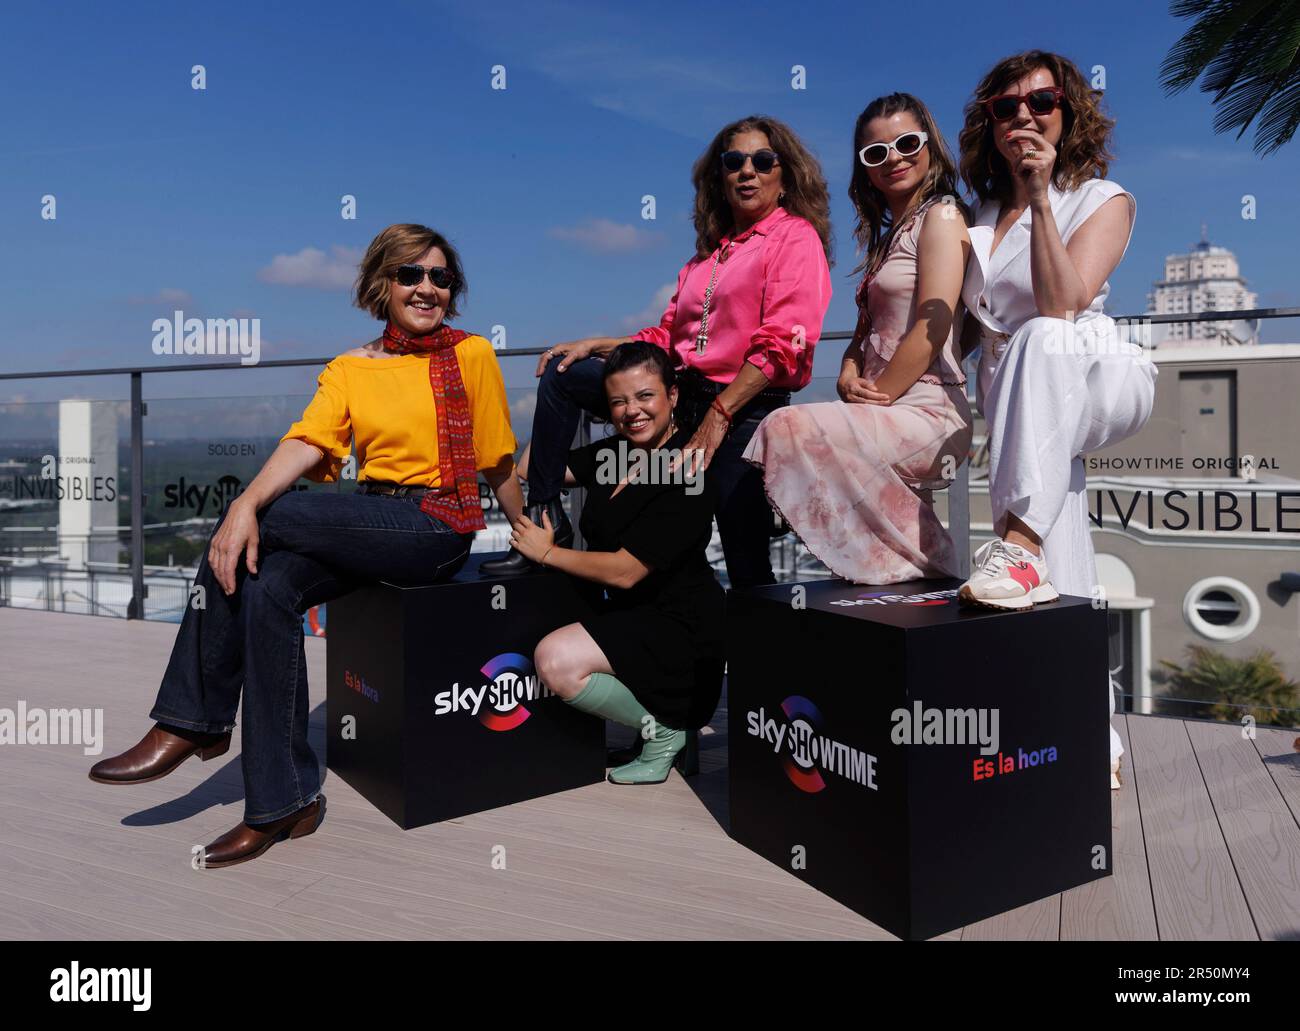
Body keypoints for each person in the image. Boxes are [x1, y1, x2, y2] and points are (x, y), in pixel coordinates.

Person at [88, 223, 523, 862]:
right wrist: (244, 504)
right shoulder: (350, 367)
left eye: (440, 276)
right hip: (373, 521)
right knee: (266, 586)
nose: (427, 287)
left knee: (258, 517)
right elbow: (309, 441)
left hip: (436, 526)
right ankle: (283, 803)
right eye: (411, 274)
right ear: (383, 282)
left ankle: (193, 719)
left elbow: (496, 456)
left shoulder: (473, 354)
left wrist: (525, 527)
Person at [482, 114, 833, 590]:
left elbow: (784, 348)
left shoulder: (795, 238)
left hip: (745, 409)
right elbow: (669, 337)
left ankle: (765, 659)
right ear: (721, 176)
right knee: (565, 374)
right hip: (680, 395)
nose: (747, 171)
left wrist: (719, 416)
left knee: (745, 554)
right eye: (734, 162)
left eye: (762, 160)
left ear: (784, 174)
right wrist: (601, 345)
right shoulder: (708, 255)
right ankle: (546, 521)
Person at [955, 51, 1157, 788]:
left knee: (1043, 334)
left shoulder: (1102, 196)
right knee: (1057, 510)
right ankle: (1085, 730)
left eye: (1041, 101)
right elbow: (963, 324)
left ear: (1069, 110)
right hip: (1019, 395)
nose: (1024, 117)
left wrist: (1040, 195)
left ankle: (1017, 540)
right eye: (1005, 108)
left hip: (1096, 371)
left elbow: (1064, 303)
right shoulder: (974, 216)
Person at [743, 93, 973, 582]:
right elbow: (867, 334)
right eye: (876, 152)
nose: (894, 158)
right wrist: (848, 370)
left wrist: (878, 398)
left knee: (786, 428)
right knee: (791, 434)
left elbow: (933, 326)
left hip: (929, 412)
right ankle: (900, 575)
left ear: (931, 146)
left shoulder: (944, 215)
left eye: (907, 143)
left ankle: (933, 561)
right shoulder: (889, 238)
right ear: (864, 168)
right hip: (884, 407)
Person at [512, 342, 724, 784]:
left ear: (673, 397)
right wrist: (560, 390)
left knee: (556, 661)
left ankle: (662, 731)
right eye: (619, 402)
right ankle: (654, 726)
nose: (632, 411)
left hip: (680, 632)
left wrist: (547, 552)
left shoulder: (686, 469)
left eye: (645, 396)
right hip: (633, 616)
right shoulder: (616, 454)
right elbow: (530, 466)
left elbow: (627, 571)